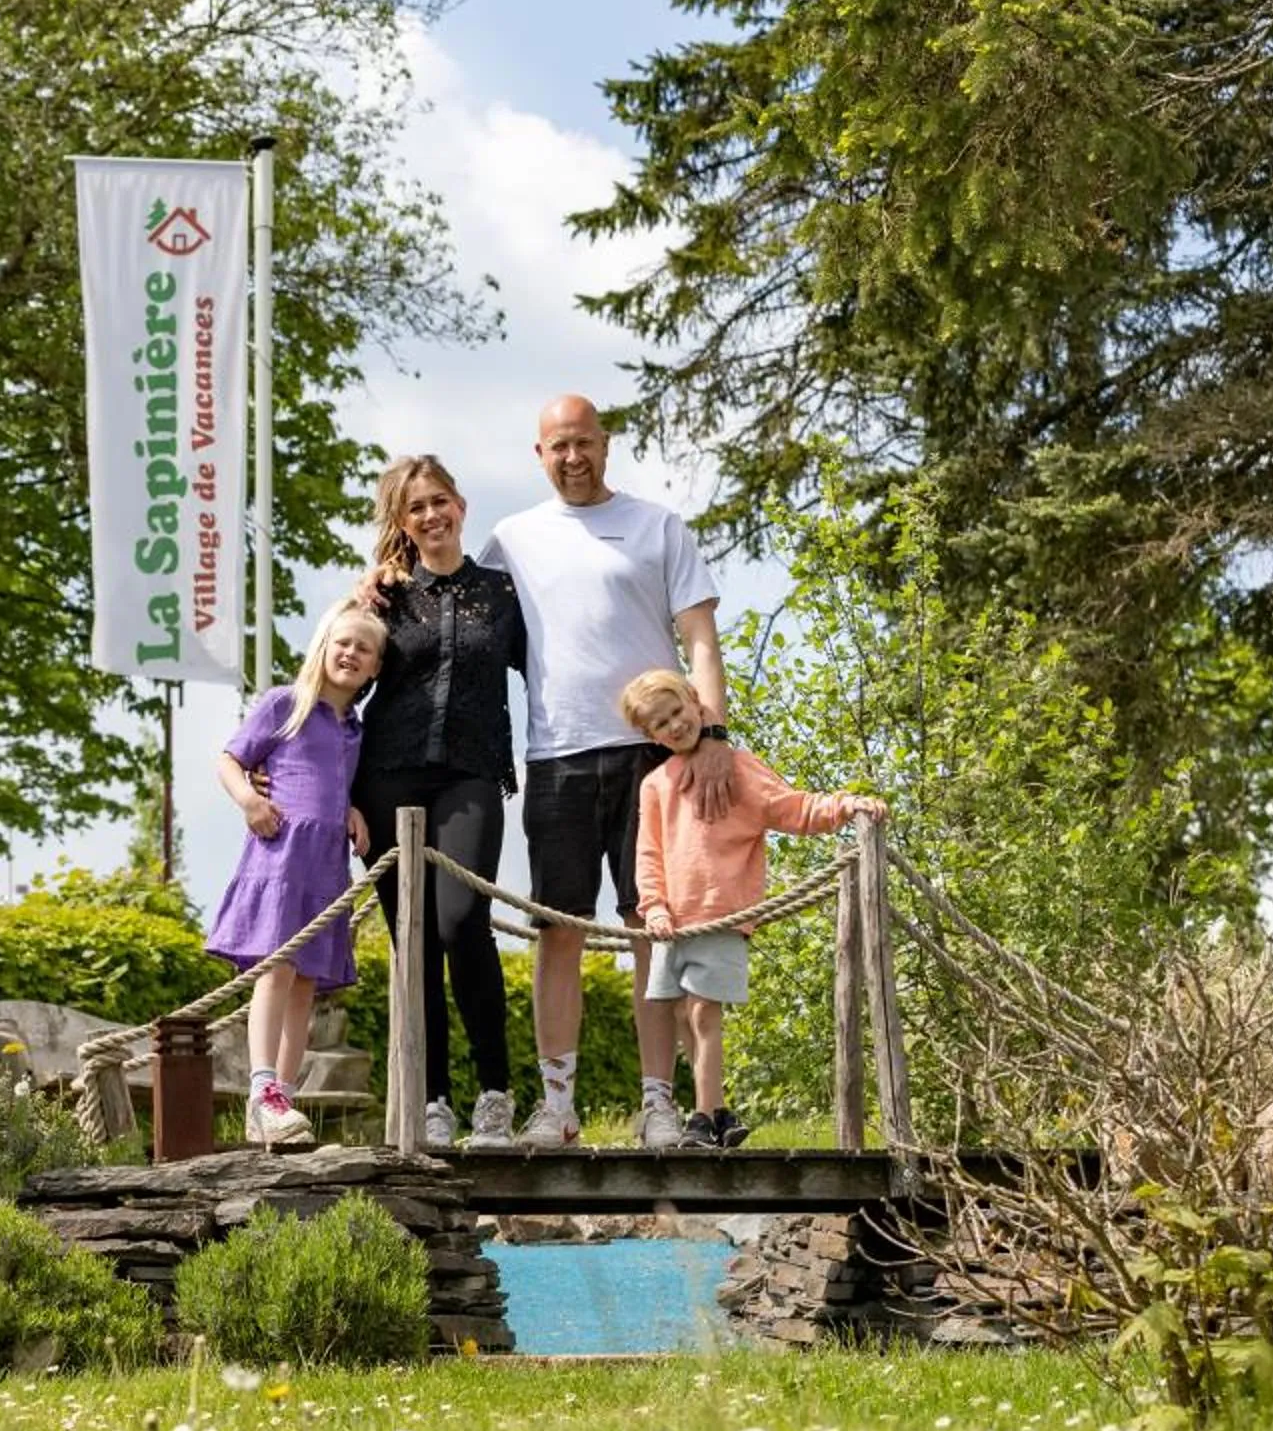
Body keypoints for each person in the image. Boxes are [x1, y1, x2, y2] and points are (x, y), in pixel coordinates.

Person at [482, 395, 735, 1150]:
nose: (572, 457)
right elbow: (454, 608)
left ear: (605, 445)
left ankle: (658, 1103)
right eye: (558, 446)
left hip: (653, 757)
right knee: (556, 928)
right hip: (555, 756)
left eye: (585, 443)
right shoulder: (511, 539)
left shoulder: (659, 527)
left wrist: (714, 734)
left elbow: (702, 643)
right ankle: (555, 1106)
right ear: (539, 453)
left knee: (650, 927)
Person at [620, 668, 887, 1147]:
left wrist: (847, 805)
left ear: (696, 702)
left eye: (678, 711)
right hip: (672, 923)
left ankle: (701, 1118)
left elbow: (794, 808)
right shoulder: (656, 785)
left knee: (704, 1012)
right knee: (682, 1014)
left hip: (720, 914)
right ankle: (719, 1111)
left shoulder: (737, 767)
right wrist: (653, 907)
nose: (675, 726)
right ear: (650, 736)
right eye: (661, 724)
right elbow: (649, 853)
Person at [352, 455, 526, 1150]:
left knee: (460, 925)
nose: (431, 516)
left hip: (472, 777)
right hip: (387, 779)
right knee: (412, 941)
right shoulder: (383, 598)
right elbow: (340, 680)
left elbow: (558, 661)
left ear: (461, 504)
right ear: (402, 523)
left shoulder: (504, 592)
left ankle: (493, 1094)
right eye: (416, 508)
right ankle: (431, 1101)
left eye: (440, 501)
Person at [206, 602, 383, 1148]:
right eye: (343, 643)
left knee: (306, 982)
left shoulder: (355, 730)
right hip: (280, 858)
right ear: (324, 646)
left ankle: (283, 1096)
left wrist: (352, 808)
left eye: (365, 649)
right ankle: (261, 1089)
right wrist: (248, 803)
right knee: (277, 969)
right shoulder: (286, 704)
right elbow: (230, 760)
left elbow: (336, 781)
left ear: (376, 668)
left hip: (324, 869)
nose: (351, 653)